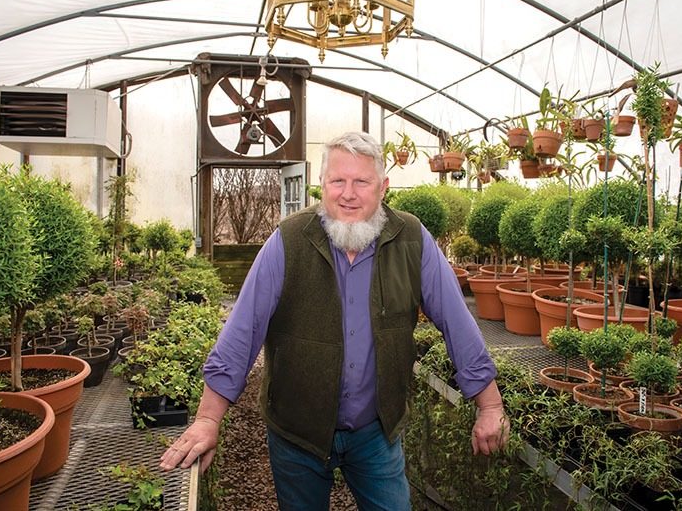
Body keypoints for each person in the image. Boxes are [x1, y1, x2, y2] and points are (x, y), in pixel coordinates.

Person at [160, 131, 509, 510]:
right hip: (298, 434)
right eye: (337, 181)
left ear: (383, 188)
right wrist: (208, 419)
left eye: (362, 181)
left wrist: (489, 405)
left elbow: (457, 321)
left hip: (376, 432)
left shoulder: (412, 240)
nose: (348, 193)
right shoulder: (288, 241)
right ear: (321, 186)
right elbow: (243, 330)